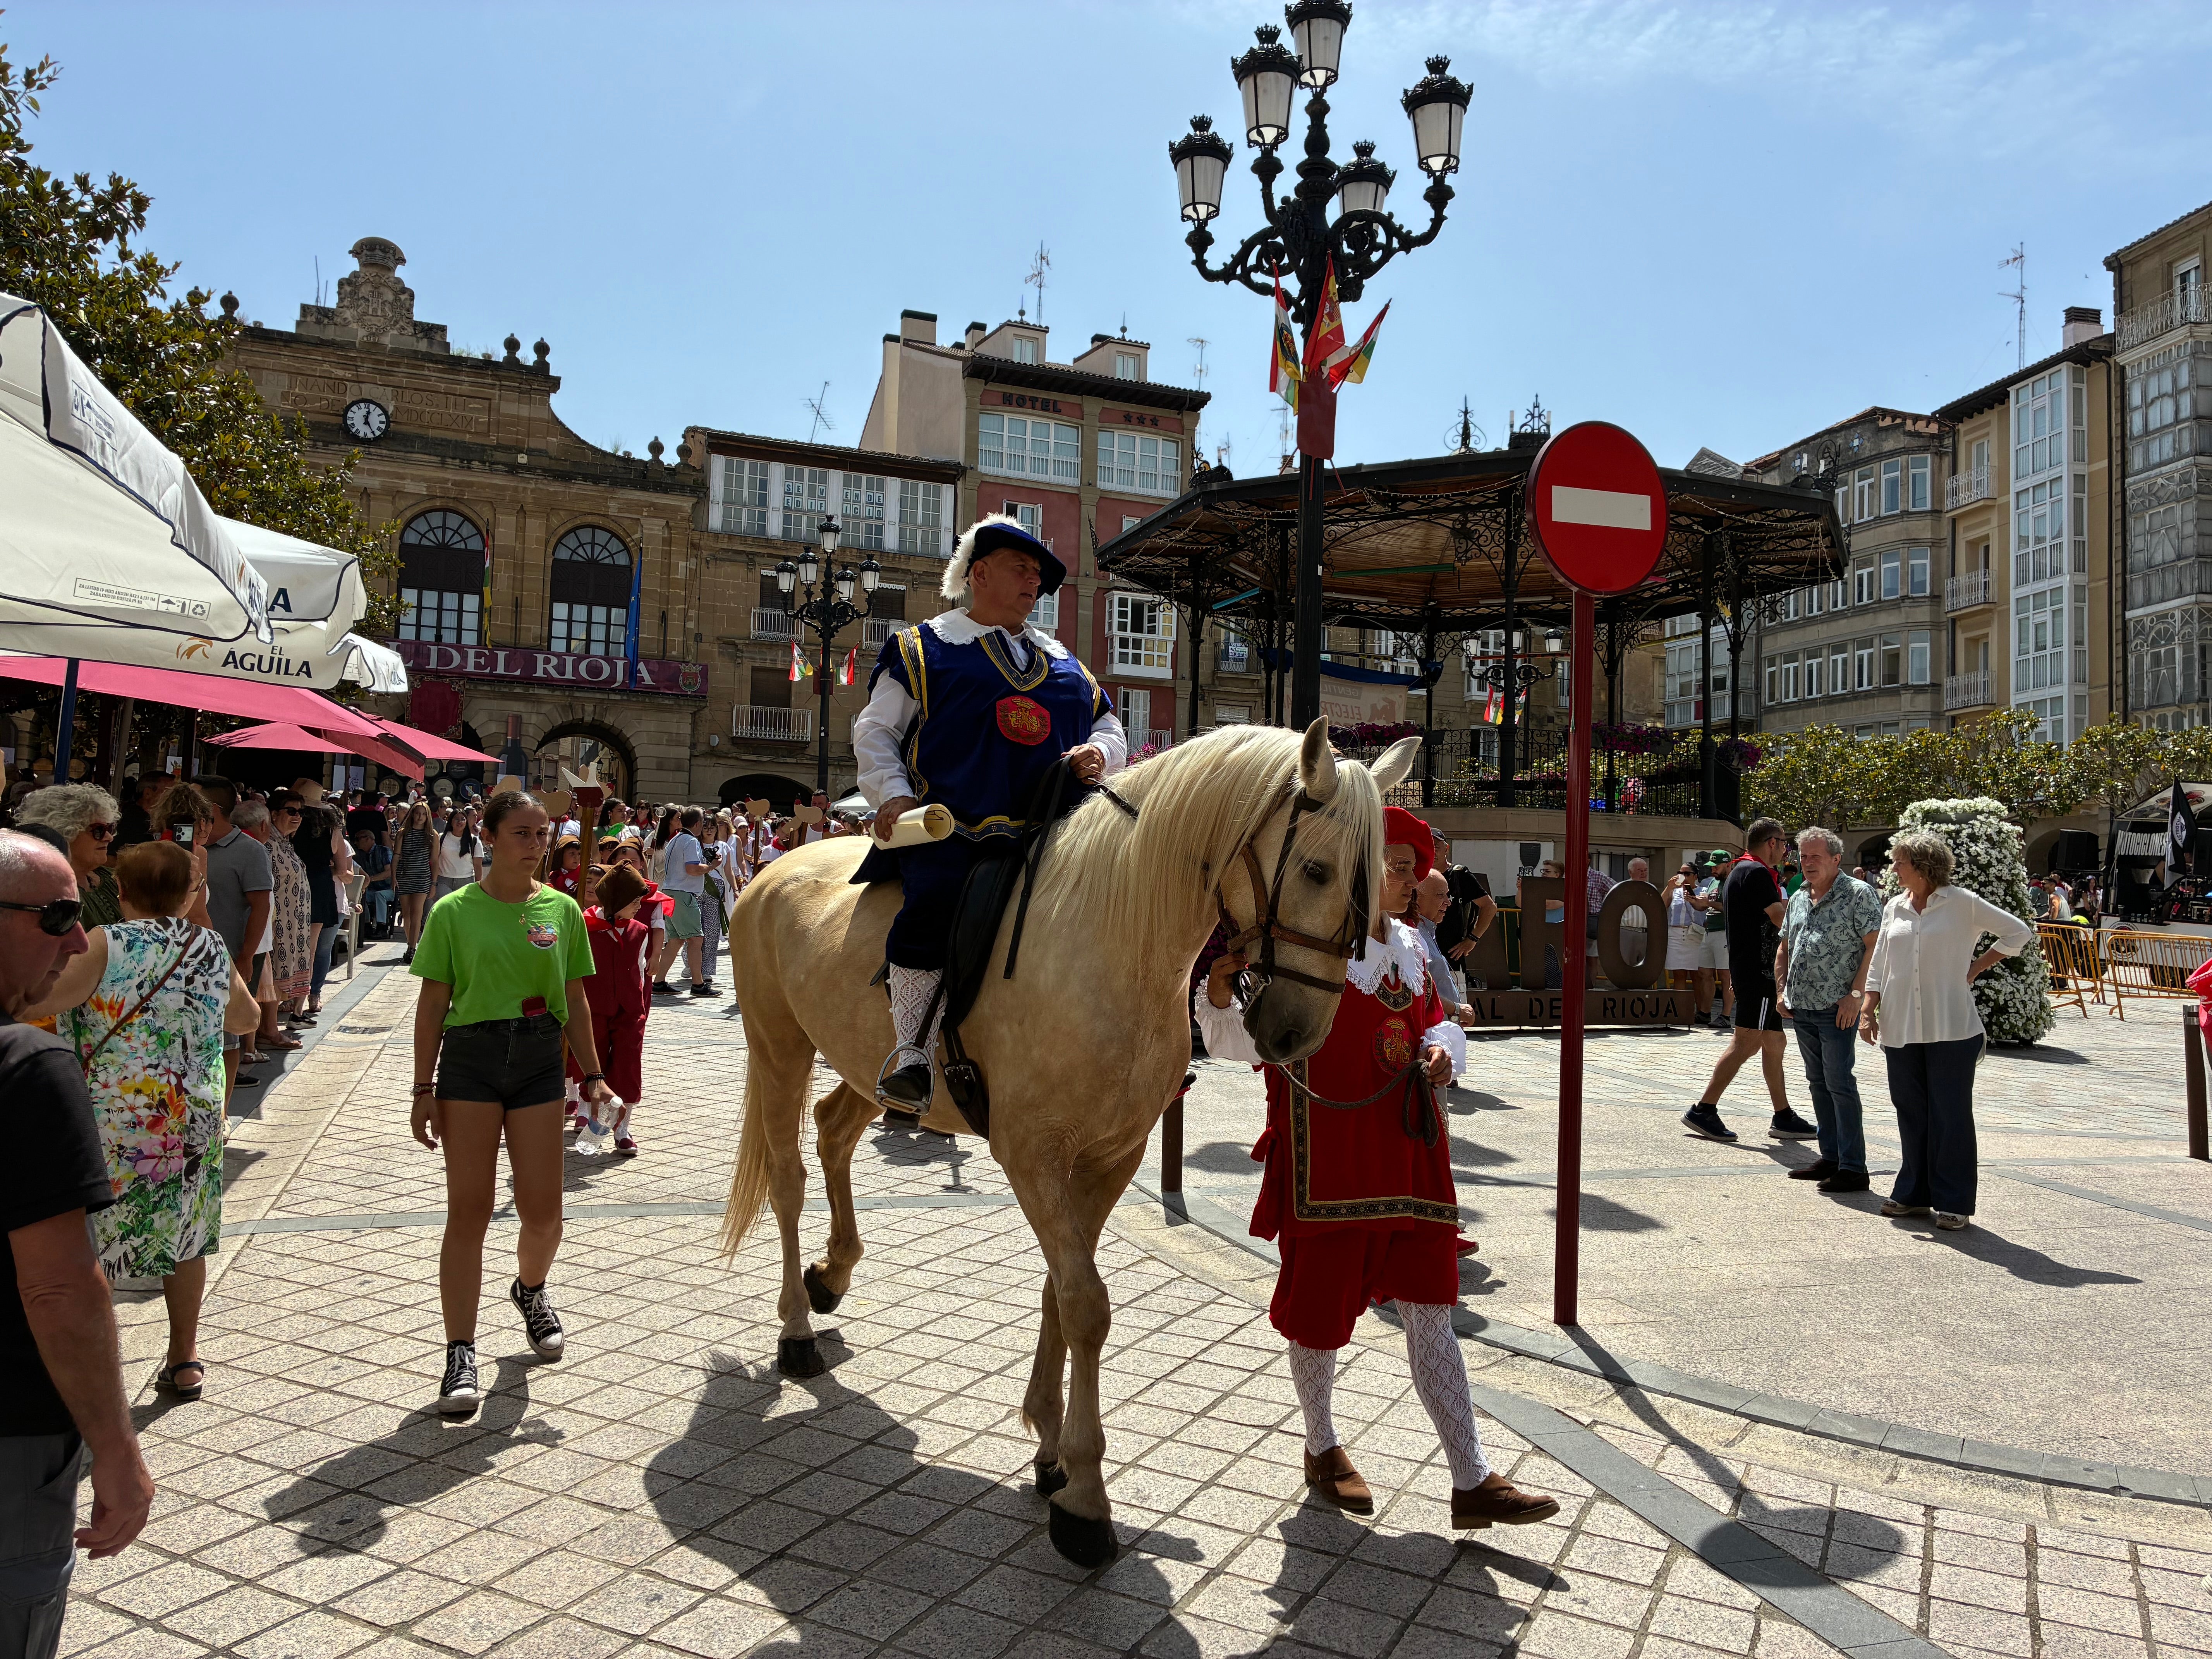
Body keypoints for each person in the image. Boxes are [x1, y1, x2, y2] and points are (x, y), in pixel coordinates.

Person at [1196, 807, 1558, 1530]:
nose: (1412, 878)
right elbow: (1240, 1041)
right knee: (1319, 1319)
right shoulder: (1300, 944)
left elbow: (1435, 1018)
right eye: (1395, 864)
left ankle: (1471, 1477)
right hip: (1325, 1158)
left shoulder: (1412, 948)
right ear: (1360, 868)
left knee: (1433, 1309)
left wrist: (1443, 1047)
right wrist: (1216, 987)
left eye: (1414, 866)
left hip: (1408, 1151)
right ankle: (1321, 1445)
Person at [851, 515, 1125, 1110]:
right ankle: (913, 1053)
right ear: (979, 574)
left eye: (1039, 574)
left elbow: (1109, 722)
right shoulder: (923, 648)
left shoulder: (1066, 664)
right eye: (1021, 568)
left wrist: (1099, 752)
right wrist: (893, 793)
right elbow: (875, 729)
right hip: (953, 826)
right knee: (934, 902)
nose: (1034, 581)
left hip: (1056, 829)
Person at [0, 832, 158, 1651]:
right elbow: (59, 1286)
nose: (74, 936)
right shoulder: (27, 1065)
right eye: (57, 914)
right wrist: (117, 1447)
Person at [29, 841, 259, 1404]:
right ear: (188, 895)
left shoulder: (106, 942)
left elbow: (47, 995)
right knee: (188, 1235)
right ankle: (184, 1359)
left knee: (96, 1239)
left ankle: (88, 1370)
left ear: (122, 891)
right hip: (194, 1115)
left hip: (120, 1114)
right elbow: (247, 1016)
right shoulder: (208, 944)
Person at [409, 791, 615, 1414]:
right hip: (469, 1060)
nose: (536, 843)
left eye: (542, 833)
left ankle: (530, 1289)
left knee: (544, 1213)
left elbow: (575, 999)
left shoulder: (563, 910)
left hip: (536, 1060)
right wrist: (423, 1087)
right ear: (491, 836)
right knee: (469, 1211)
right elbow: (432, 1006)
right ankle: (459, 1351)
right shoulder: (453, 911)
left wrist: (594, 1075)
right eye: (523, 832)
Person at [1861, 828, 2035, 1232]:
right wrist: (1868, 1009)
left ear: (1922, 865)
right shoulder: (1894, 908)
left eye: (1900, 861)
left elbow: (2019, 932)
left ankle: (1955, 1202)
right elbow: (1879, 963)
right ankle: (1913, 1196)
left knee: (1951, 1116)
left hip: (1953, 1029)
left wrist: (1974, 968)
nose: (1894, 868)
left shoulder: (1963, 904)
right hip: (1901, 1026)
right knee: (1911, 1114)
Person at [1682, 819, 1819, 1145]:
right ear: (1771, 842)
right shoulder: (1755, 873)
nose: (1786, 849)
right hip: (1759, 974)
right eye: (1784, 843)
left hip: (1756, 972)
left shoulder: (1741, 871)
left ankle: (1783, 1115)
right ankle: (1704, 1109)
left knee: (1775, 1042)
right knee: (1745, 1042)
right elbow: (1778, 918)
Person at [1774, 828, 1882, 1193]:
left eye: (1815, 857)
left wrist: (1856, 996)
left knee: (1840, 1084)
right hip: (1801, 1006)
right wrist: (1781, 990)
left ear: (1837, 859)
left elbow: (1874, 947)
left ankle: (1854, 1167)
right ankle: (1831, 1156)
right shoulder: (1800, 895)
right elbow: (1785, 946)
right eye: (1803, 856)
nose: (1807, 863)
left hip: (1838, 1008)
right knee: (1818, 1082)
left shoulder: (1858, 894)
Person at [190, 779, 270, 1096]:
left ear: (211, 810)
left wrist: (247, 956)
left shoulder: (250, 850)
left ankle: (222, 1106)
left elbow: (261, 906)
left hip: (229, 957)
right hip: (188, 956)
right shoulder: (182, 846)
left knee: (228, 1036)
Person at [570, 863, 652, 1156]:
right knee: (591, 1063)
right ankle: (586, 1110)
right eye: (634, 902)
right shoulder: (583, 926)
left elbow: (642, 972)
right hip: (593, 1009)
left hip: (630, 1010)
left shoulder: (640, 931)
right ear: (617, 902)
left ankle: (623, 1128)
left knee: (628, 1066)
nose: (640, 907)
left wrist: (641, 1008)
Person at [14, 785, 122, 929]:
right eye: (99, 831)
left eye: (110, 829)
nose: (109, 838)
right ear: (64, 831)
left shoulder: (118, 879)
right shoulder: (45, 894)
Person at [652, 808, 717, 998]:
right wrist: (712, 866)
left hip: (671, 892)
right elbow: (692, 869)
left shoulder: (675, 839)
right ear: (697, 824)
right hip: (683, 894)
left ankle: (659, 982)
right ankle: (698, 984)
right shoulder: (689, 841)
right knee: (696, 939)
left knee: (676, 939)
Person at [264, 795, 314, 1031]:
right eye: (291, 811)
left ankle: (271, 1028)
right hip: (278, 923)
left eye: (300, 813)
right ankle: (269, 1030)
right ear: (274, 814)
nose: (297, 817)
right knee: (273, 973)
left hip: (293, 923)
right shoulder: (267, 844)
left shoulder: (285, 842)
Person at [1409, 870, 1470, 1018]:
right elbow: (1418, 993)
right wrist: (1456, 1009)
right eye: (1440, 895)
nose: (1448, 902)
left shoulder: (1428, 932)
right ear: (1416, 898)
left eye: (1447, 895)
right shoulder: (1414, 936)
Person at [393, 800, 436, 963]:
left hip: (423, 875)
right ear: (412, 814)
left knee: (417, 912)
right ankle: (410, 942)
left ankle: (412, 948)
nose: (420, 817)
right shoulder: (403, 833)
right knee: (407, 913)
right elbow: (396, 855)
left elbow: (435, 860)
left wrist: (434, 882)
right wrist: (394, 875)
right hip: (405, 874)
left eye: (424, 814)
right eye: (417, 813)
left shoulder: (432, 835)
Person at [1694, 850, 1733, 1027]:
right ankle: (1705, 1012)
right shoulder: (1713, 883)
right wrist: (1694, 901)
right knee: (1704, 973)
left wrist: (1708, 903)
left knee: (1726, 975)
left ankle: (1725, 1016)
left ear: (1728, 865)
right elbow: (1705, 907)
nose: (1713, 870)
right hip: (1709, 931)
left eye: (1716, 867)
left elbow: (1732, 909)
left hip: (1725, 932)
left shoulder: (1733, 882)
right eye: (1711, 867)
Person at [1662, 862, 1705, 1001]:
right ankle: (1680, 1011)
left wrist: (1693, 899)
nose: (1683, 877)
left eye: (1687, 874)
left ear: (1696, 877)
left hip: (1695, 936)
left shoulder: (1703, 891)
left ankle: (1700, 1012)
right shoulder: (1674, 891)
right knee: (1679, 975)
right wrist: (1669, 887)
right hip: (1675, 935)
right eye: (1681, 873)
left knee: (1697, 976)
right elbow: (1661, 905)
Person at [434, 806, 482, 900]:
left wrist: (479, 888)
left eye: (463, 819)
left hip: (466, 882)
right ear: (451, 821)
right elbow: (435, 861)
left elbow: (478, 866)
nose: (460, 822)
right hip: (443, 881)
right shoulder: (441, 838)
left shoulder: (474, 840)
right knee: (445, 910)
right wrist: (433, 882)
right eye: (457, 819)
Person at [353, 830, 394, 936]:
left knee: (380, 895)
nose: (355, 843)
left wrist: (371, 879)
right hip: (373, 889)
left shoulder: (384, 851)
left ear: (368, 839)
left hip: (390, 889)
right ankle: (366, 926)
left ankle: (382, 928)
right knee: (361, 895)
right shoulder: (362, 856)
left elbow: (389, 872)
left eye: (358, 839)